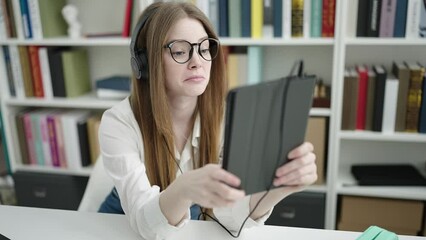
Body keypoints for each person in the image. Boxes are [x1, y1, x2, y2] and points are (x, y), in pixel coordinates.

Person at [98, 2, 317, 239]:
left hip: (188, 220)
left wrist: (278, 188)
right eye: (180, 51)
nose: (197, 61)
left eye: (204, 48)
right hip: (119, 224)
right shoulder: (118, 122)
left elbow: (229, 217)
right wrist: (184, 188)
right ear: (145, 63)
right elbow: (145, 224)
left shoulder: (226, 117)